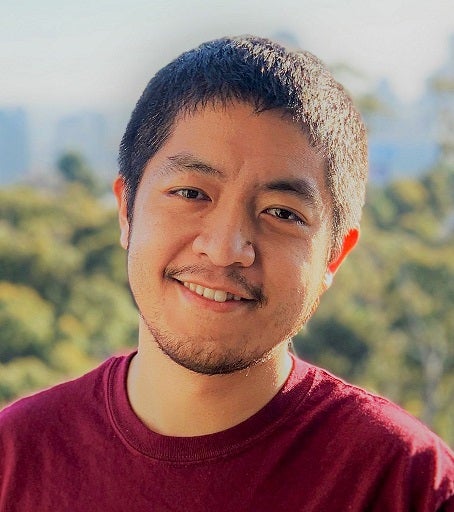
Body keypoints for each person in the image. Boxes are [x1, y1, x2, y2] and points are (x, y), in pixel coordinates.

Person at [0, 35, 453, 512]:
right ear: (126, 210)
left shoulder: (407, 484)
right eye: (191, 193)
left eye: (282, 213)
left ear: (334, 257)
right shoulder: (15, 459)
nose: (224, 250)